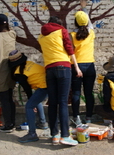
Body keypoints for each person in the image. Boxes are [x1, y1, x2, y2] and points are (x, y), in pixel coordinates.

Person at [38, 16, 82, 146]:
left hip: (49, 69)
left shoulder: (41, 36)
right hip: (63, 67)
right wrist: (77, 67)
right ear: (59, 24)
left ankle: (55, 135)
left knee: (52, 102)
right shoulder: (62, 31)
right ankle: (65, 136)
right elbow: (69, 49)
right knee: (63, 102)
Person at [8, 50, 48, 143]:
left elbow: (27, 89)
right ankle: (42, 123)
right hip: (50, 83)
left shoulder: (18, 72)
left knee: (29, 106)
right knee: (36, 99)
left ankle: (32, 134)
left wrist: (31, 103)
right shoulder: (29, 63)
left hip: (44, 87)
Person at [70, 0, 96, 125]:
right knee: (88, 93)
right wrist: (84, 8)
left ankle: (76, 117)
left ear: (75, 22)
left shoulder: (71, 35)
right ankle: (89, 117)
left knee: (76, 93)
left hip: (76, 66)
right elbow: (89, 22)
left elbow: (71, 51)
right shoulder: (91, 32)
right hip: (90, 66)